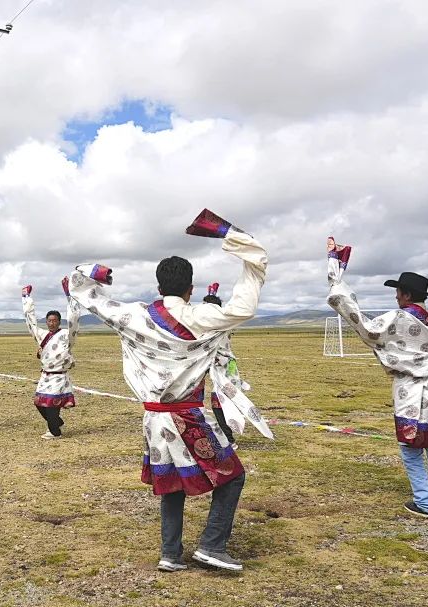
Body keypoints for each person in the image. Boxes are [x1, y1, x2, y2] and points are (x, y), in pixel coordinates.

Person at [67, 209, 267, 573]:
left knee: (172, 483)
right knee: (232, 475)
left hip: (153, 418)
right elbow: (245, 304)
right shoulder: (202, 317)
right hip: (188, 414)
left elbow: (81, 290)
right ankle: (212, 545)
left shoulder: (133, 315)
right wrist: (242, 244)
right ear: (191, 289)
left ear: (159, 288)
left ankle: (170, 554)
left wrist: (96, 272)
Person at [326, 235, 428, 518]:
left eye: (398, 292)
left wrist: (336, 278)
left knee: (410, 447)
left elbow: (364, 326)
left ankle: (424, 502)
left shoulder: (397, 319)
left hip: (412, 390)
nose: (396, 297)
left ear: (407, 295)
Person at [202, 283, 274, 445]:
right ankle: (226, 436)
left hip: (224, 366)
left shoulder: (217, 325)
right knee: (222, 400)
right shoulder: (218, 324)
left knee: (220, 402)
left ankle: (228, 439)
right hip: (223, 365)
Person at [21, 278, 82, 439]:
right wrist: (26, 299)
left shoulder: (66, 335)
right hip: (45, 376)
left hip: (59, 376)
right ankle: (57, 423)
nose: (52, 323)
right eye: (49, 321)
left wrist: (69, 295)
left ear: (59, 322)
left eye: (55, 321)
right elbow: (31, 322)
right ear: (46, 322)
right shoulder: (42, 335)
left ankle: (55, 432)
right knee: (39, 403)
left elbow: (74, 320)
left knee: (52, 405)